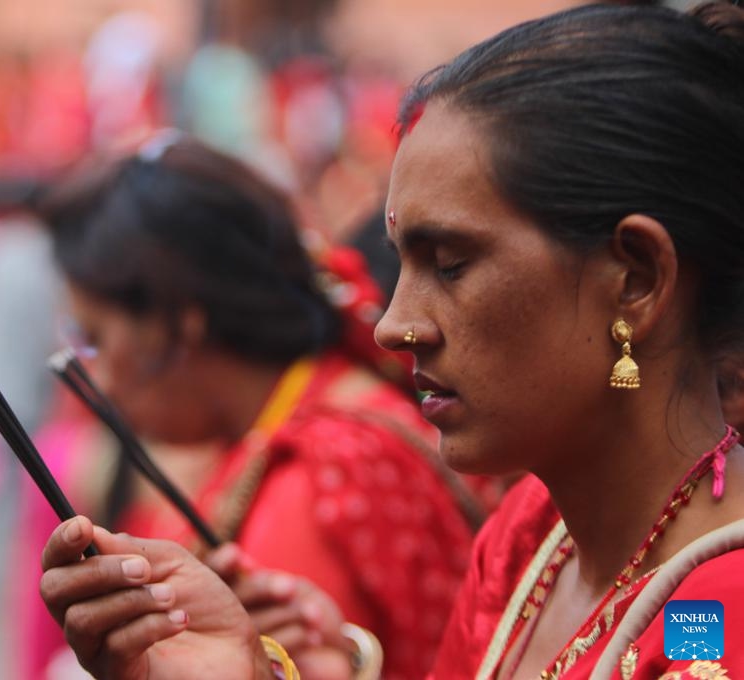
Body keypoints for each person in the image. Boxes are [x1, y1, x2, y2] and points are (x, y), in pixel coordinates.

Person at [37, 2, 744, 678]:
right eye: (402, 262)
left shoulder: (719, 612)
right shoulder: (533, 539)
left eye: (452, 264)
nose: (392, 325)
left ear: (636, 279)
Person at [26, 132, 476, 679]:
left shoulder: (309, 481)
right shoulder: (323, 411)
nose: (95, 377)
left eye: (95, 337)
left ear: (178, 324)